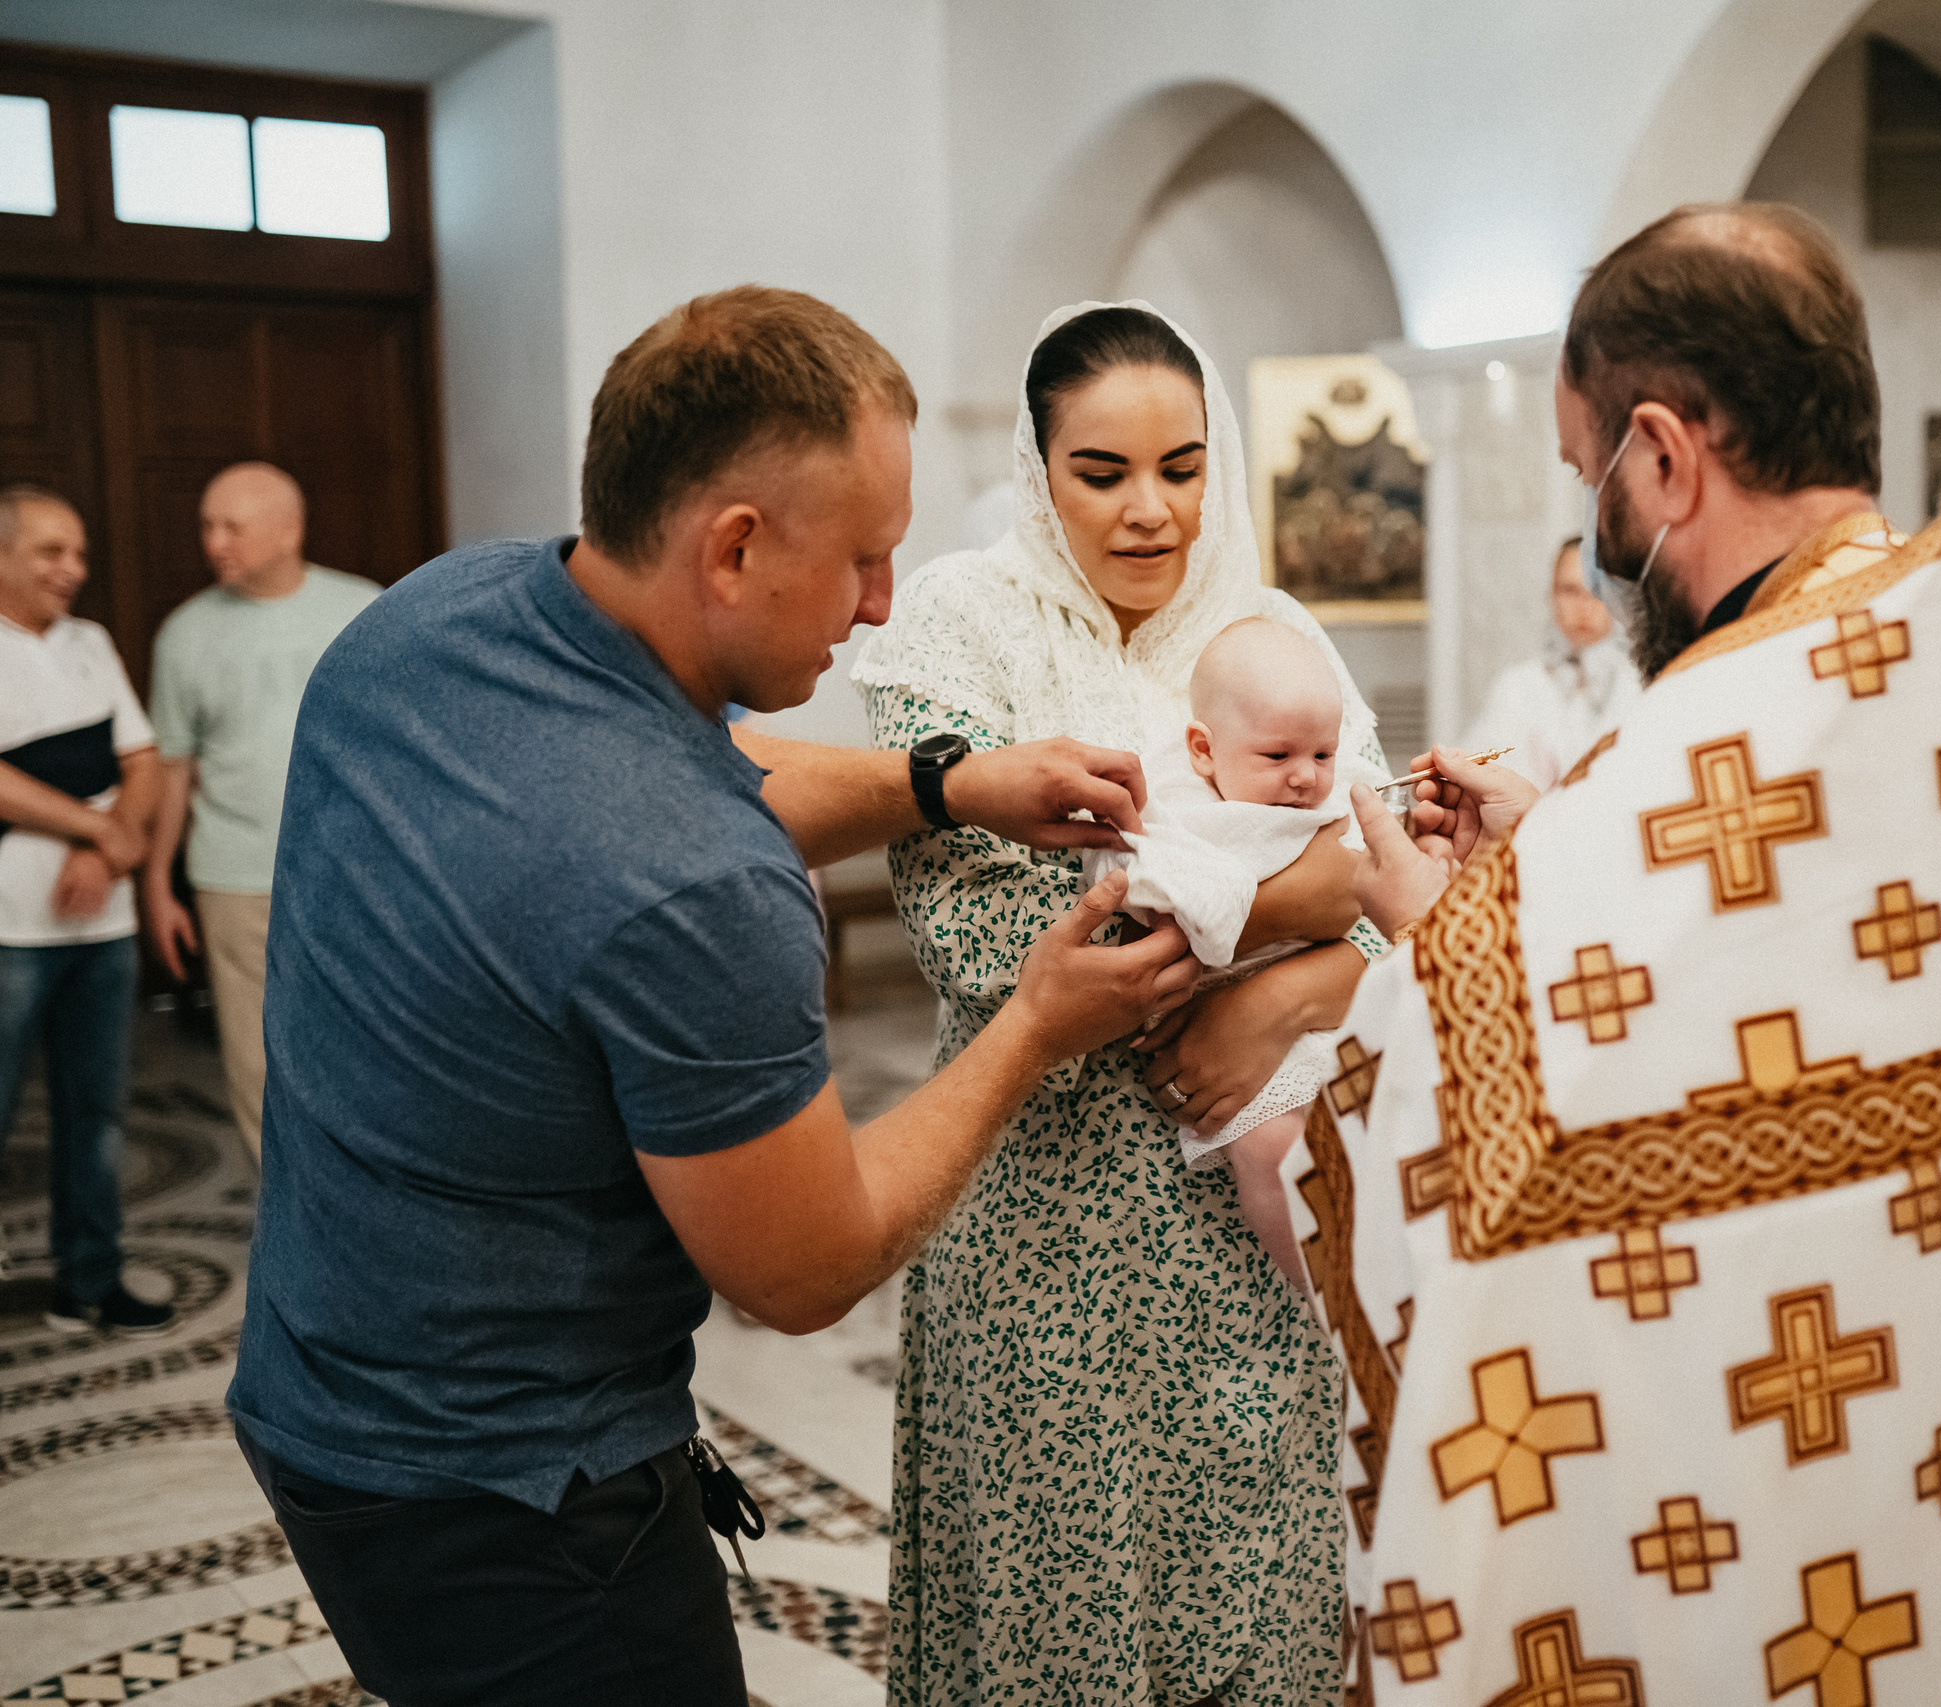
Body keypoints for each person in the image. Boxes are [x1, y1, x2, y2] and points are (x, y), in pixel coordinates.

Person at [225, 286, 1200, 1707]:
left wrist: (949, 779)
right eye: (864, 559)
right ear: (733, 546)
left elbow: (710, 771)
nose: (878, 607)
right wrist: (1036, 1024)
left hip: (317, 1389)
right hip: (517, 1492)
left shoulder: (439, 614)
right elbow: (801, 1265)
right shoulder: (696, 889)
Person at [1312, 203, 1941, 1700]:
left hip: (1799, 1496)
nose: (1596, 518)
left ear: (1665, 453)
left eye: (1593, 475)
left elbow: (1485, 1136)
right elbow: (1812, 980)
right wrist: (1557, 853)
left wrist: (1446, 937)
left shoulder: (1712, 735)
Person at [852, 302, 1384, 1705]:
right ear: (1037, 468)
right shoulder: (955, 628)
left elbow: (1392, 892)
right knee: (1054, 1624)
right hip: (1041, 1221)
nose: (1153, 512)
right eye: (1103, 473)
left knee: (1256, 1603)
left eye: (1185, 468)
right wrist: (1287, 910)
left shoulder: (1271, 630)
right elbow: (991, 924)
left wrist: (1290, 997)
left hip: (1246, 1226)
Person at [1087, 613, 1391, 1287]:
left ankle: (1385, 1277)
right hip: (1207, 1030)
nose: (1306, 779)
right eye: (1278, 757)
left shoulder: (1341, 787)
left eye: (1322, 754)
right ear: (1203, 749)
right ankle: (1332, 1291)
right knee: (1270, 1146)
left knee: (1380, 1126)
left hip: (1323, 1005)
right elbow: (1140, 880)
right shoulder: (1179, 804)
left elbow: (1386, 881)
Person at [141, 462, 379, 1162]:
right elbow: (173, 767)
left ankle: (368, 1199)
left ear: (289, 529)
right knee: (256, 1056)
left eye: (231, 526)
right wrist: (159, 881)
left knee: (361, 1044)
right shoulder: (184, 633)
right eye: (206, 525)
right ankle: (286, 1208)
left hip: (350, 870)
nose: (214, 541)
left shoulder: (363, 606)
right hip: (234, 876)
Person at [0, 484, 172, 1338]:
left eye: (79, 551)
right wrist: (102, 830)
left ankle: (89, 1279)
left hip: (103, 928)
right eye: (51, 552)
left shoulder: (91, 642)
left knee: (95, 1114)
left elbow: (140, 757)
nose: (75, 569)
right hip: (10, 931)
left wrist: (101, 849)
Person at [1460, 533, 1644, 789]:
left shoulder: (1645, 684)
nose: (1583, 604)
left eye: (1597, 590)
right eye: (1569, 590)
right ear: (1551, 595)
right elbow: (1484, 777)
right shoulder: (1516, 687)